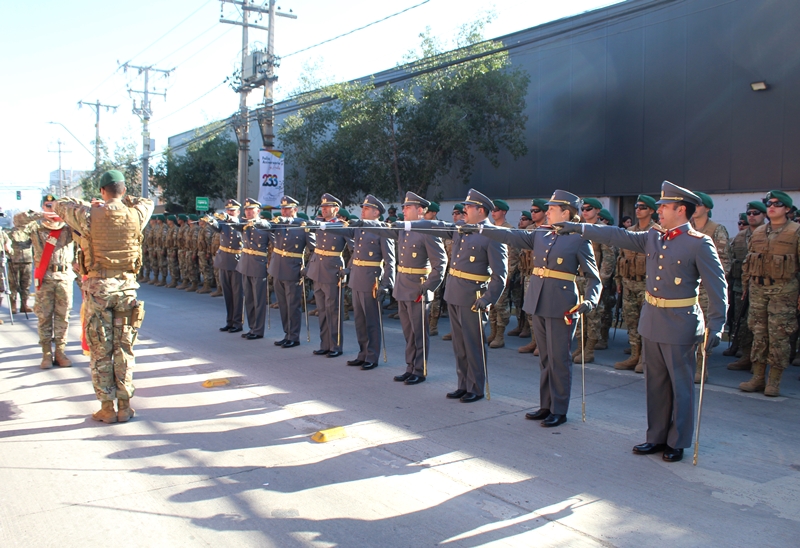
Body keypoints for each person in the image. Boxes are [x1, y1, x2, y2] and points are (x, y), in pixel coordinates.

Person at [556, 181, 727, 462]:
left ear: (681, 209)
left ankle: (677, 441)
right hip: (653, 320)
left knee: (680, 386)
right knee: (656, 384)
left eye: (664, 207)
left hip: (680, 322)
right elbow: (615, 235)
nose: (659, 211)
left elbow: (717, 287)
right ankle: (656, 436)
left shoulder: (699, 243)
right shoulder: (653, 237)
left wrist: (716, 324)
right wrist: (579, 228)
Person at [474, 190, 601, 427]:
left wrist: (589, 301)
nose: (547, 212)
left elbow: (594, 278)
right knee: (545, 358)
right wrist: (482, 228)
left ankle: (559, 409)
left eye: (552, 209)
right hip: (539, 302)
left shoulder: (579, 238)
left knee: (559, 359)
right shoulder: (541, 234)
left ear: (566, 212)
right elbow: (512, 236)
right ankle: (546, 405)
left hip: (562, 305)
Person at [53, 170, 154, 423]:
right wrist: (122, 201)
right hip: (127, 291)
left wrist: (93, 205)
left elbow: (60, 205)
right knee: (124, 349)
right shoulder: (136, 214)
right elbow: (147, 202)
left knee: (101, 350)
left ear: (102, 191)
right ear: (122, 190)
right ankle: (125, 406)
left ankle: (107, 408)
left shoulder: (88, 216)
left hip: (99, 291)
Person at [409, 189, 507, 401]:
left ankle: (476, 387)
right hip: (454, 293)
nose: (464, 211)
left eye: (469, 207)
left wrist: (488, 299)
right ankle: (463, 383)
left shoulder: (492, 235)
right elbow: (436, 226)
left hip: (473, 297)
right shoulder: (462, 230)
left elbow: (500, 275)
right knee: (459, 345)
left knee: (473, 344)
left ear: (481, 210)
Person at [360, 192, 447, 384]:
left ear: (420, 210)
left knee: (419, 332)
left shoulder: (428, 230)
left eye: (408, 207)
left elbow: (440, 263)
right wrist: (364, 223)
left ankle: (420, 369)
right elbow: (383, 229)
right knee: (408, 332)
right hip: (403, 285)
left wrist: (427, 287)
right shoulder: (404, 229)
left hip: (418, 288)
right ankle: (410, 367)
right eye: (404, 207)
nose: (404, 210)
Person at [739, 191, 800, 397]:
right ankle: (757, 377)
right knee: (759, 333)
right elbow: (749, 263)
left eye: (778, 204)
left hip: (783, 291)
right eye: (769, 203)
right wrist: (746, 287)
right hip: (758, 290)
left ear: (788, 209)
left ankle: (774, 381)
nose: (772, 206)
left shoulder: (796, 231)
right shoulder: (757, 232)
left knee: (779, 336)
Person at [14, 194, 77, 368]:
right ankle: (46, 354)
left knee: (63, 316)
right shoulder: (36, 226)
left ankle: (60, 352)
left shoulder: (68, 225)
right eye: (48, 206)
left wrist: (65, 211)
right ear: (43, 206)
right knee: (44, 316)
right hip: (45, 277)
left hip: (64, 277)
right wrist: (39, 215)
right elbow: (17, 222)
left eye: (54, 206)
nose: (51, 209)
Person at [342, 195, 396, 369]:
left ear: (376, 212)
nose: (362, 211)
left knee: (371, 320)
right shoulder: (360, 228)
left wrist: (386, 284)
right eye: (363, 208)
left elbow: (390, 261)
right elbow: (355, 254)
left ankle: (372, 356)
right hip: (357, 277)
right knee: (359, 320)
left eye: (366, 209)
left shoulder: (382, 230)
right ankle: (362, 353)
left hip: (371, 280)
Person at [256, 196, 315, 348]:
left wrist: (308, 267)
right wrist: (258, 221)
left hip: (293, 269)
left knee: (293, 305)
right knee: (282, 304)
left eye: (287, 208)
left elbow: (314, 250)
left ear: (295, 210)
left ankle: (294, 337)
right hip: (277, 268)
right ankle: (287, 333)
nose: (283, 211)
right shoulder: (279, 224)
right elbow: (265, 226)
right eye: (282, 208)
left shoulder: (302, 226)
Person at [613, 195, 660, 371]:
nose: (638, 209)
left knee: (647, 324)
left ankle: (645, 358)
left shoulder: (657, 232)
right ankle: (635, 354)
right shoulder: (630, 231)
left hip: (646, 285)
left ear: (651, 211)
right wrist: (618, 280)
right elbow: (621, 257)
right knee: (631, 322)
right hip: (628, 283)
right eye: (636, 206)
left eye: (642, 207)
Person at [691, 191, 731, 382]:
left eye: (698, 204)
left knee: (706, 329)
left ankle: (702, 367)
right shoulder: (686, 228)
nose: (695, 208)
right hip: (689, 286)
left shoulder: (716, 230)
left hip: (707, 287)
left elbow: (724, 263)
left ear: (707, 208)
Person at [725, 201, 766, 371]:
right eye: (749, 213)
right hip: (740, 286)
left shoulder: (768, 234)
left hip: (764, 286)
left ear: (764, 215)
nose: (751, 216)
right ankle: (746, 354)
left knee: (761, 325)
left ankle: (760, 361)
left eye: (756, 213)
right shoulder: (739, 238)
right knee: (741, 321)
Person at [573, 198, 615, 363]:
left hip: (593, 280)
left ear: (598, 211)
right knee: (578, 314)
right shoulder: (578, 228)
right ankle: (579, 346)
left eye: (589, 208)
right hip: (578, 278)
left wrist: (601, 281)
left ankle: (589, 350)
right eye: (583, 208)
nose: (585, 211)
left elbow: (608, 259)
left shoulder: (603, 230)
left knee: (593, 316)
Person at [233, 199, 269, 340]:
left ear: (258, 211)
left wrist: (269, 263)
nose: (248, 212)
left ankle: (258, 330)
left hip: (259, 265)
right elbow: (233, 224)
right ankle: (252, 327)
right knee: (248, 299)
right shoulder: (244, 225)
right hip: (245, 264)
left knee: (258, 300)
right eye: (246, 210)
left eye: (251, 209)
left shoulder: (264, 225)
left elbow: (272, 245)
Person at [486, 199, 519, 349]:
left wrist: (507, 276)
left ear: (504, 212)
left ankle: (500, 335)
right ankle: (493, 332)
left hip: (501, 274)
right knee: (491, 304)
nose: (493, 213)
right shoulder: (490, 229)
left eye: (497, 210)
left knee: (501, 305)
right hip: (489, 274)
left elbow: (513, 257)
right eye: (492, 210)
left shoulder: (509, 230)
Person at [517, 199, 548, 355]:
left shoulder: (550, 228)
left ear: (544, 212)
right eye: (532, 211)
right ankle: (535, 341)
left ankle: (543, 344)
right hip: (530, 274)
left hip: (545, 277)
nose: (533, 214)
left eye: (536, 211)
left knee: (543, 312)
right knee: (530, 311)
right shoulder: (529, 229)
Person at [208, 200, 245, 333]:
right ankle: (229, 321)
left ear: (238, 212)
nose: (229, 212)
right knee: (228, 294)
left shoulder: (241, 223)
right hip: (224, 261)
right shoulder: (223, 223)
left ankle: (237, 322)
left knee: (237, 294)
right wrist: (210, 220)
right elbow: (216, 226)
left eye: (232, 210)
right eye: (228, 210)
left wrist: (229, 219)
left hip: (236, 261)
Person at [7, 223, 34, 314]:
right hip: (14, 261)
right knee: (13, 284)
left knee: (26, 284)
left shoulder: (29, 232)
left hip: (27, 261)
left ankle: (24, 304)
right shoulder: (10, 232)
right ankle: (13, 305)